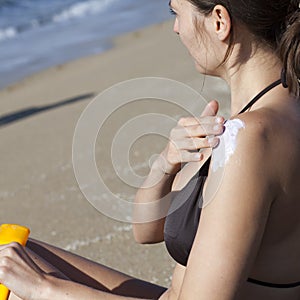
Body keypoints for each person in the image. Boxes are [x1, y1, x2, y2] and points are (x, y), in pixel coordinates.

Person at [0, 0, 299, 299]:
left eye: (176, 12)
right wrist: (167, 162)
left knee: (12, 289)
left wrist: (44, 288)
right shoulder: (262, 118)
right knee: (6, 249)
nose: (176, 28)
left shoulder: (251, 140)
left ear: (219, 21)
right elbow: (147, 230)